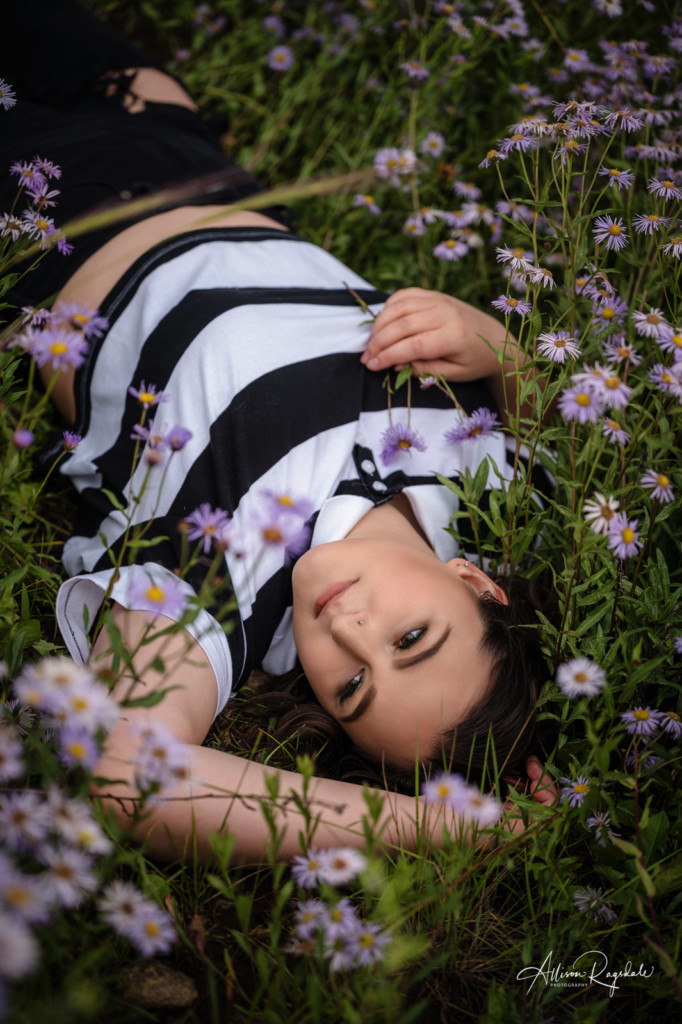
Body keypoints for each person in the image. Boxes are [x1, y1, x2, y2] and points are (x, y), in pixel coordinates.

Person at [2, 1, 557, 863]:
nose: (351, 632)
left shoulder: (229, 584)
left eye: (353, 687)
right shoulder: (493, 493)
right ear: (477, 584)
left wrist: (450, 828)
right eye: (411, 638)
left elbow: (133, 779)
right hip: (198, 167)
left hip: (48, 220)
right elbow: (561, 423)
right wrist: (500, 345)